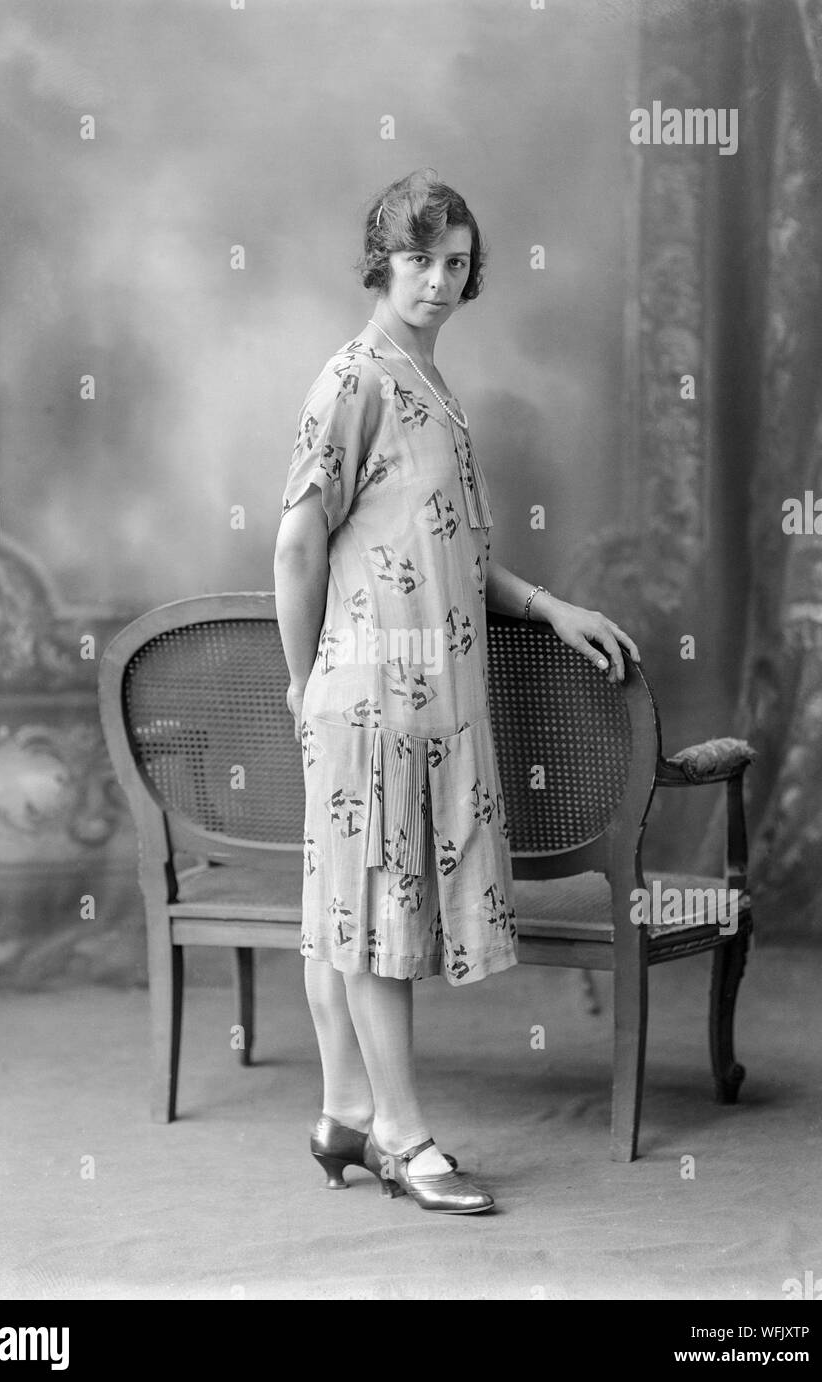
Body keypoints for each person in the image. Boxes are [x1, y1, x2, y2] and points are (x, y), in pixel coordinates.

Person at [273, 168, 640, 1214]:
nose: (437, 280)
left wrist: (546, 606)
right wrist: (305, 684)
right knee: (372, 914)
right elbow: (296, 545)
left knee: (340, 911)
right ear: (380, 260)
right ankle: (401, 1134)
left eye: (454, 263)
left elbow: (445, 551)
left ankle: (343, 1110)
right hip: (366, 699)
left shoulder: (426, 384)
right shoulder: (352, 380)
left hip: (424, 698)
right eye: (419, 258)